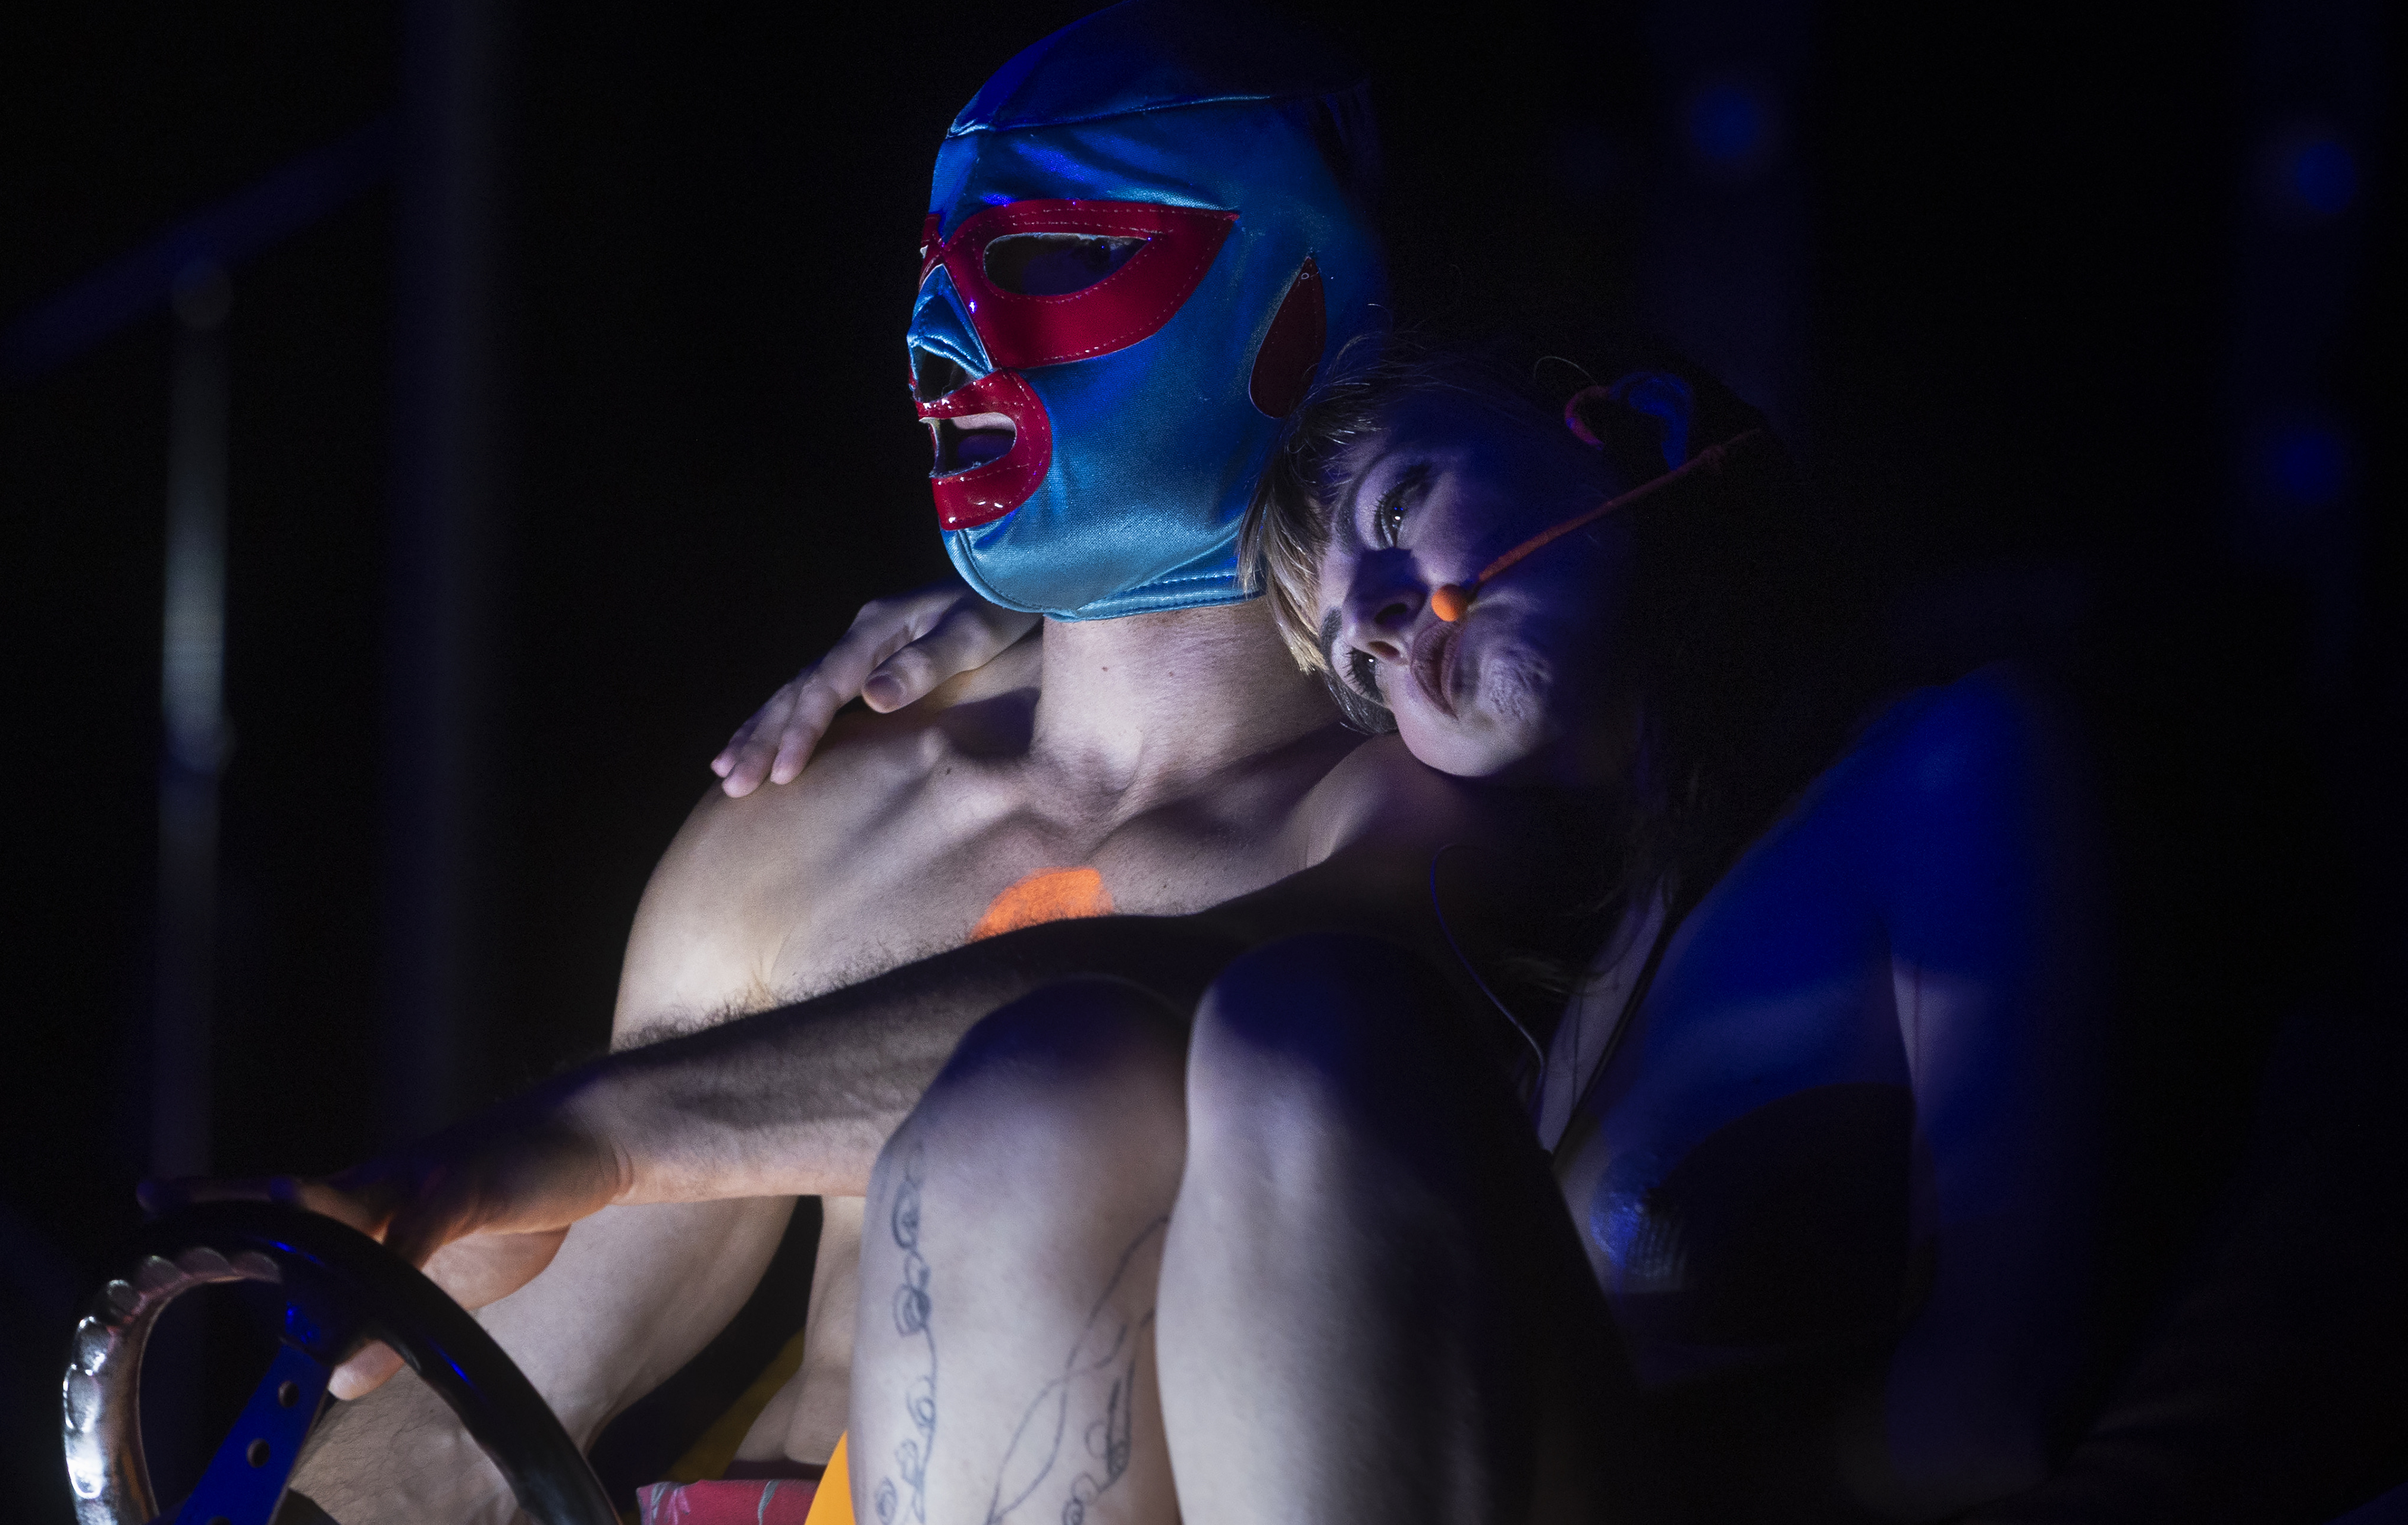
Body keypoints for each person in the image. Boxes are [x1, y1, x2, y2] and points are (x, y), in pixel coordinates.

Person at [200, 0, 1552, 1524]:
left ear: (1310, 294)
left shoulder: (1421, 813)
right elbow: (487, 1400)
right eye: (932, 274)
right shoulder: (816, 818)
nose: (939, 340)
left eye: (1048, 259)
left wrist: (596, 1133)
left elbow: (1200, 999)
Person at [729, 339, 2107, 1521]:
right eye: (1354, 662)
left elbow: (1987, 1411)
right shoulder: (1531, 960)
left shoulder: (1951, 768)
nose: (1389, 625)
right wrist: (1037, 633)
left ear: (1638, 423)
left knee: (1298, 1015)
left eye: (1402, 507)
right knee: (1044, 1089)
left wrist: (1466, 1428)